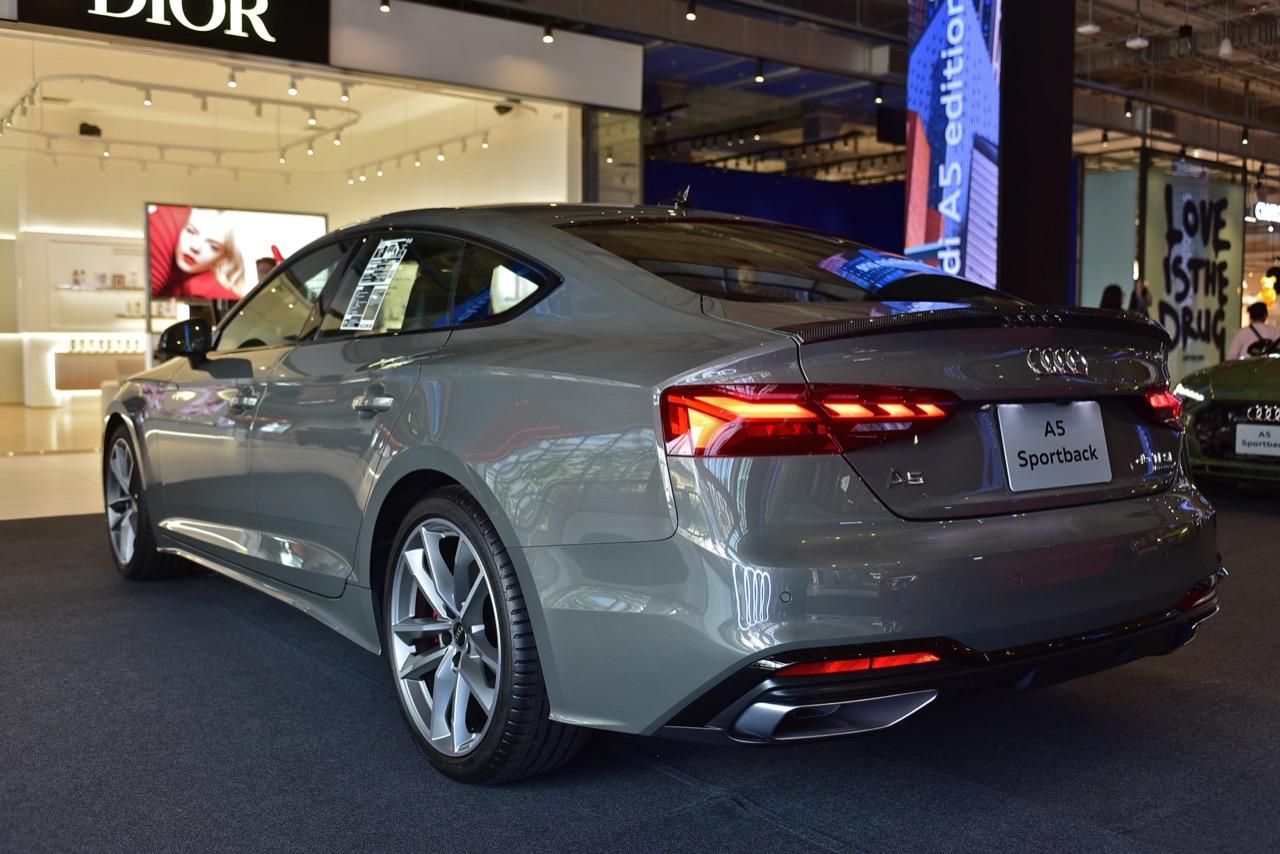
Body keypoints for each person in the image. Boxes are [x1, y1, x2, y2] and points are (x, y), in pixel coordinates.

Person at [148, 205, 247, 301]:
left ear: (222, 259)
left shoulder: (204, 291)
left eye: (212, 247)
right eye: (191, 231)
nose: (195, 247)